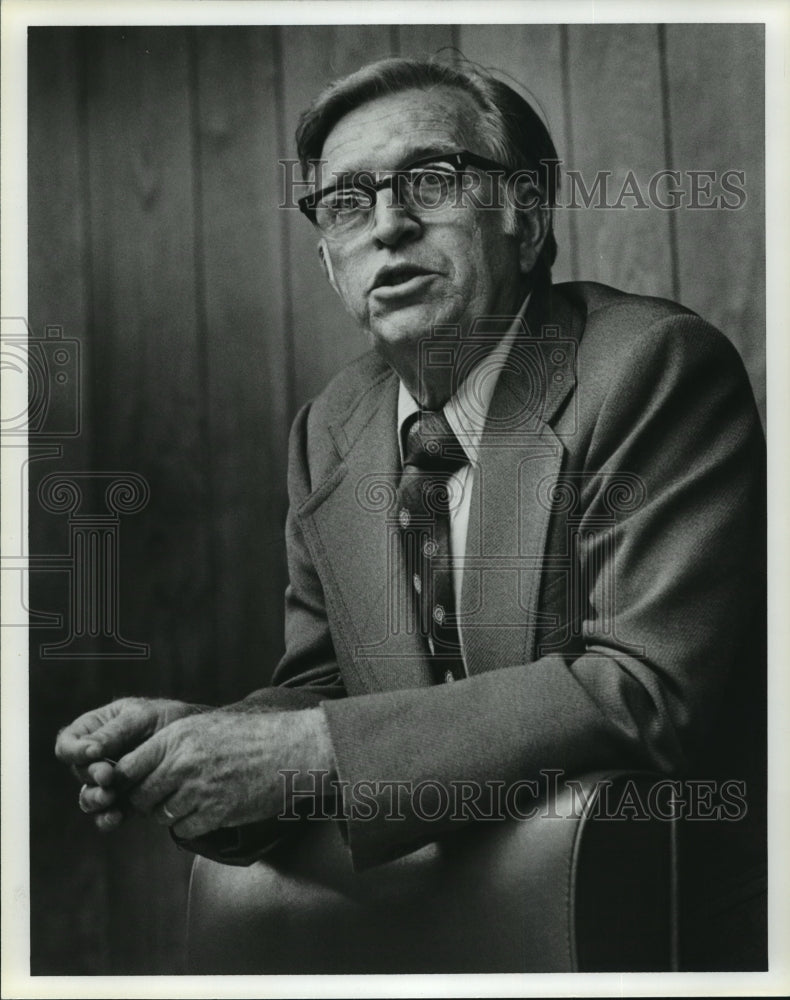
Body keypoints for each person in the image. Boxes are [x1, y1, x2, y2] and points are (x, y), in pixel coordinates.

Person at [55, 58, 766, 970]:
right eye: (346, 202)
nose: (388, 225)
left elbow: (645, 691)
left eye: (430, 181)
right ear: (327, 260)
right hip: (432, 921)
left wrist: (308, 754)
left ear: (526, 214)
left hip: (664, 929)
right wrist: (197, 739)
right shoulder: (332, 428)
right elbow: (327, 695)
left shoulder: (653, 367)